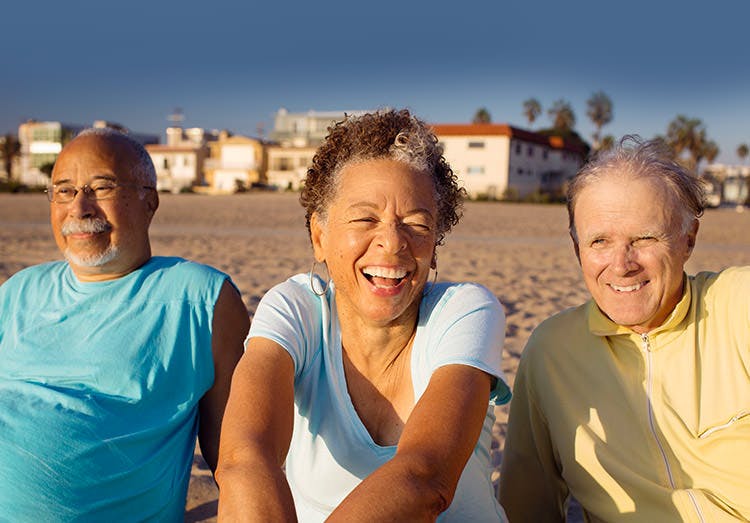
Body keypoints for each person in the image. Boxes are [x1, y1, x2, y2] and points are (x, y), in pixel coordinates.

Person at [216, 109, 511, 521]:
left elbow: (424, 479)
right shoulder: (296, 309)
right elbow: (245, 458)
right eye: (365, 219)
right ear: (319, 236)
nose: (392, 243)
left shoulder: (465, 312)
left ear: (435, 243)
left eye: (416, 224)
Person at [0, 128, 248, 521]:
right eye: (63, 191)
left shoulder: (199, 299)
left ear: (149, 201)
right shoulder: (19, 291)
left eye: (101, 188)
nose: (79, 208)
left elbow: (237, 459)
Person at [499, 137, 750, 521]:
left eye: (645, 238)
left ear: (689, 239)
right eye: (599, 241)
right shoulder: (551, 351)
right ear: (576, 247)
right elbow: (526, 505)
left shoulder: (738, 304)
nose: (622, 264)